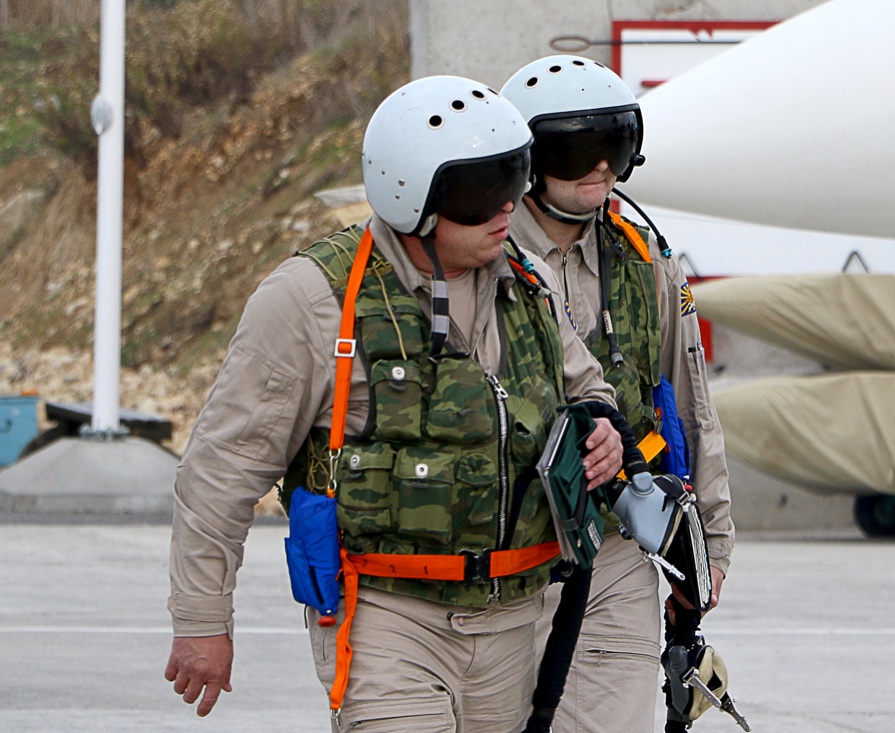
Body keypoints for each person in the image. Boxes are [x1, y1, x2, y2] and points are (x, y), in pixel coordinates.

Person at [163, 75, 627, 733]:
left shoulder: (530, 281)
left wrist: (603, 430)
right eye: (480, 190)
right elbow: (222, 471)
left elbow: (589, 391)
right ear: (414, 197)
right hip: (385, 615)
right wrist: (202, 620)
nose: (506, 206)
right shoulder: (314, 299)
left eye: (513, 178)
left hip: (514, 621)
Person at [501, 55, 736, 733]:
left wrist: (708, 550)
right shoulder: (476, 255)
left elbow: (690, 406)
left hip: (612, 549)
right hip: (501, 551)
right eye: (578, 149)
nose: (601, 167)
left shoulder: (646, 263)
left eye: (616, 144)